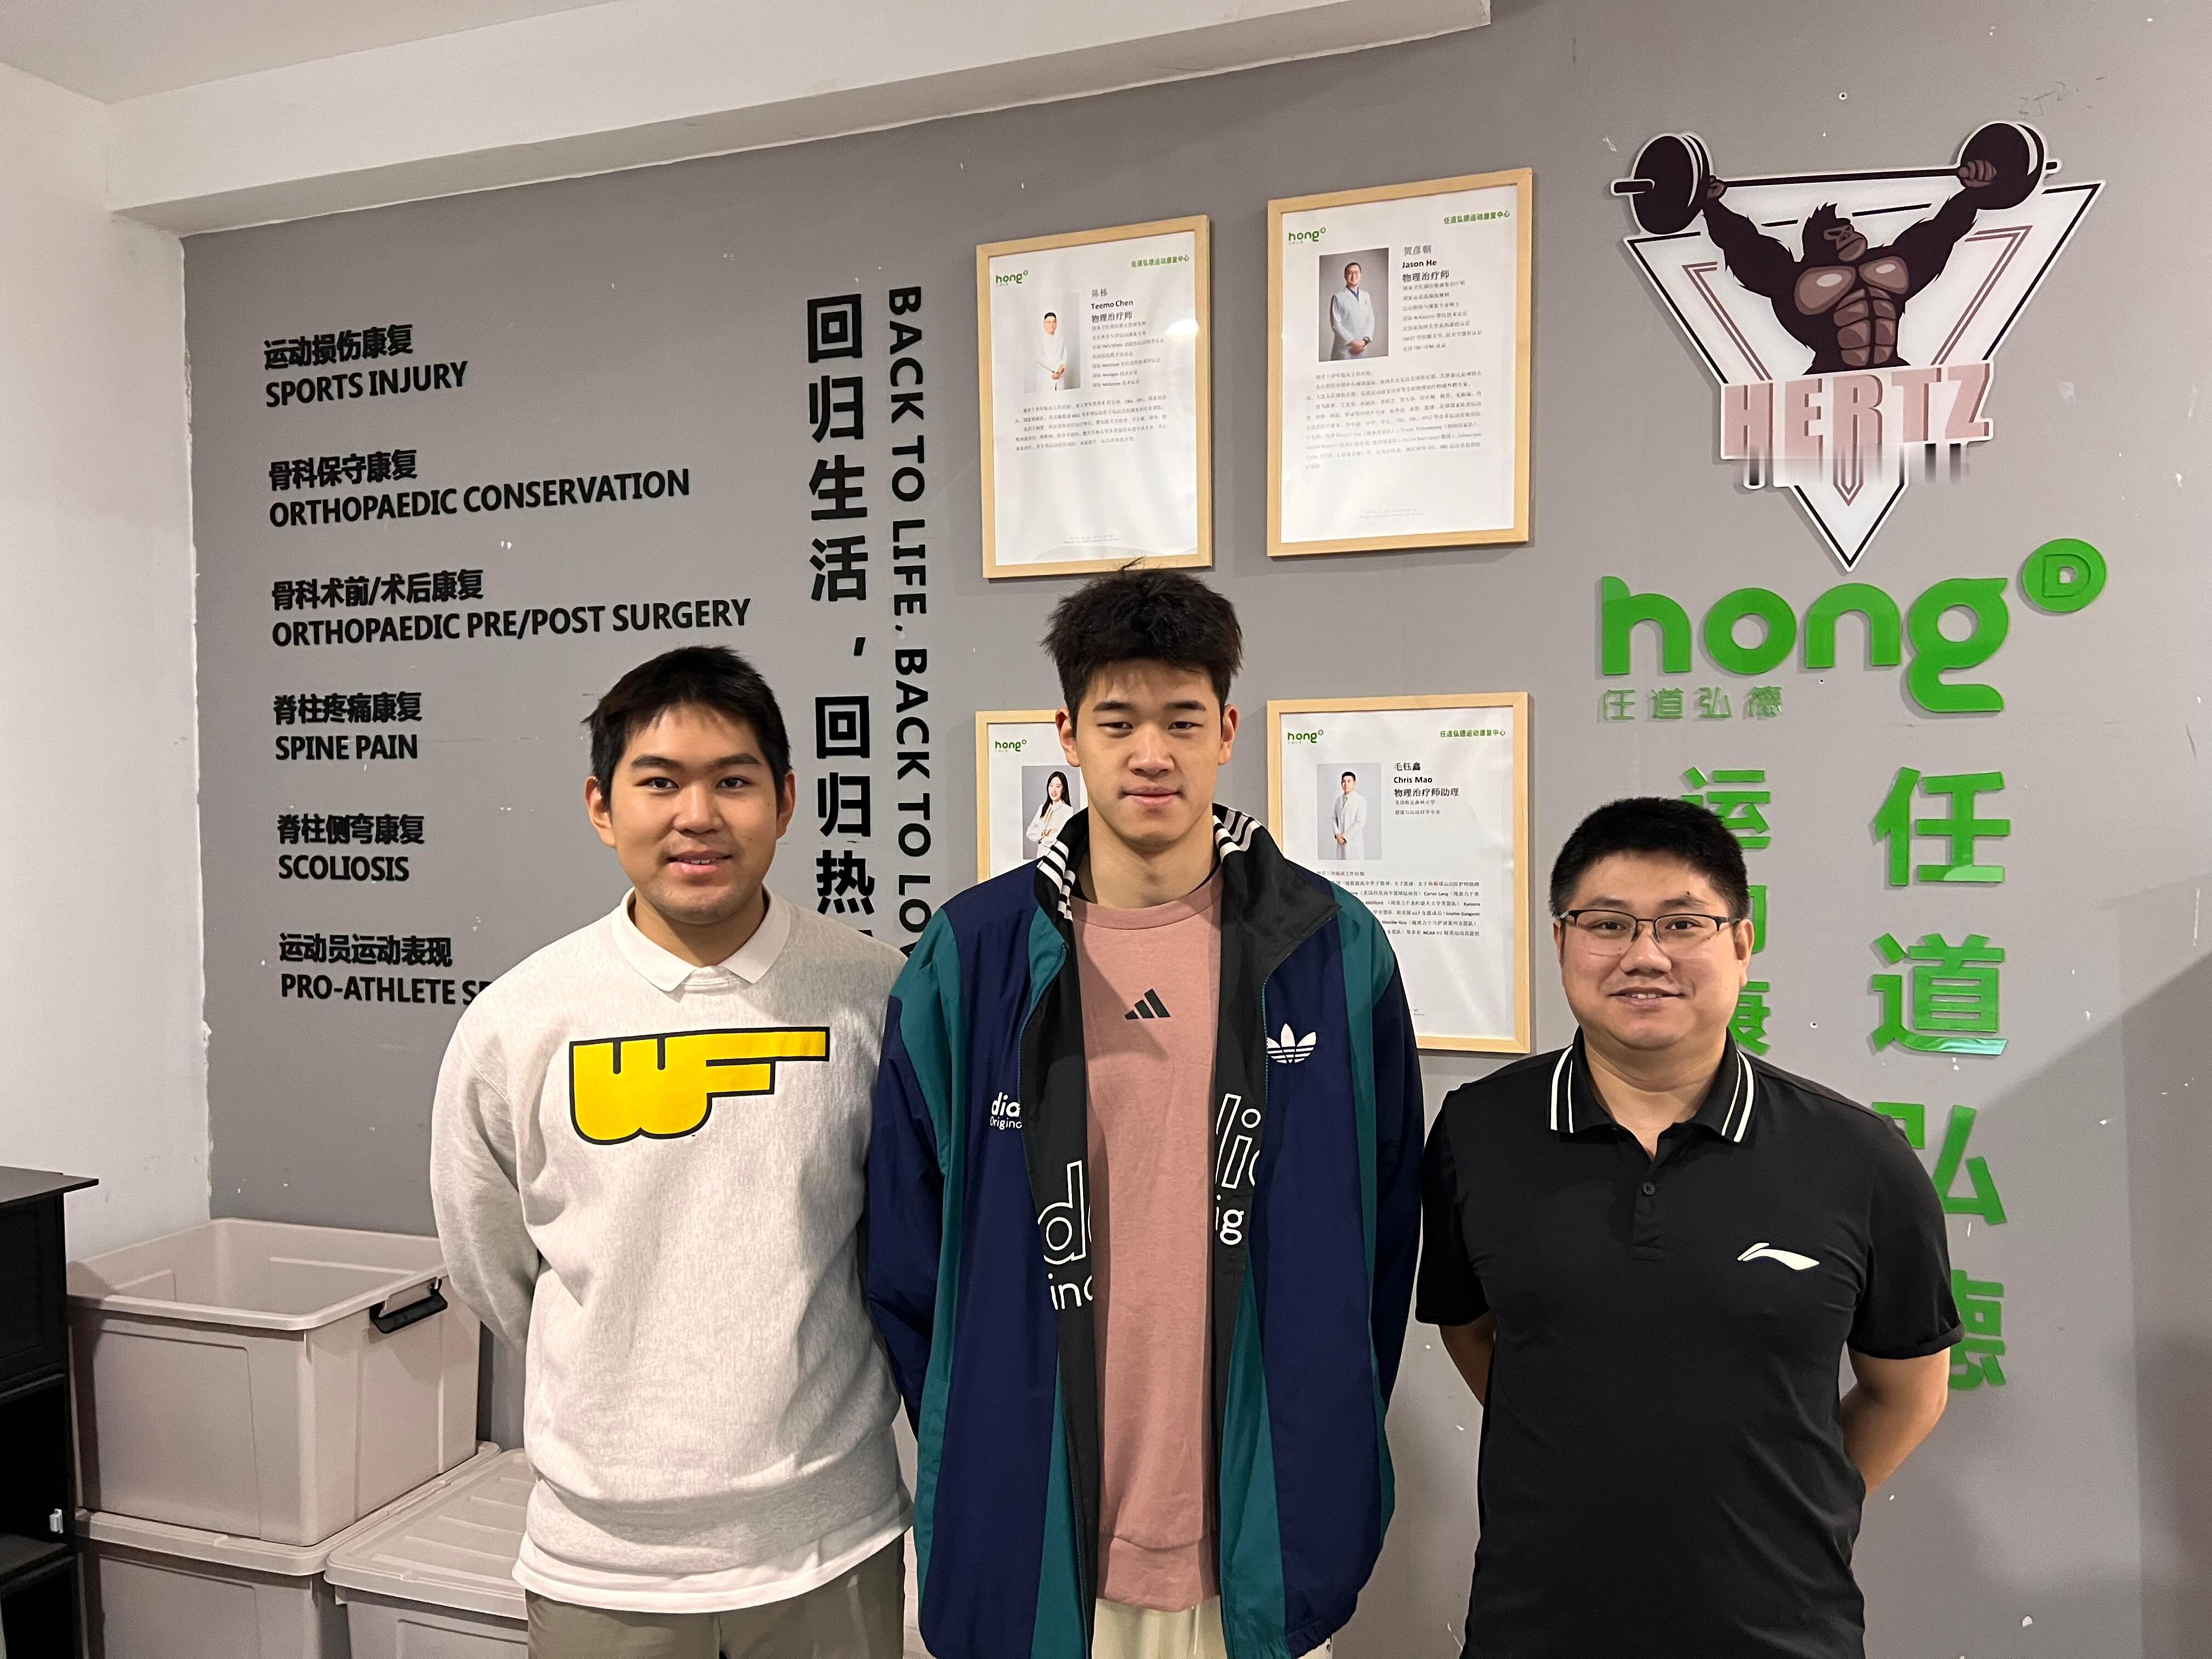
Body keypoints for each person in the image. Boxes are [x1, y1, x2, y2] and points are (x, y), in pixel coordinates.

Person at [867, 569, 1423, 1659]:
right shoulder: (972, 956)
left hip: (1259, 1534)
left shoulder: (1329, 948)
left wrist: (1318, 1415)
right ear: (1068, 735)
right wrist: (983, 1417)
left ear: (1227, 730)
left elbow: (1382, 1230)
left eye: (1181, 719)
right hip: (1032, 1529)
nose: (1151, 753)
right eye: (1118, 721)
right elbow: (906, 1248)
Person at [430, 645, 909, 1659]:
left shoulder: (877, 994)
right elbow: (489, 1260)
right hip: (602, 1563)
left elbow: (908, 1244)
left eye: (733, 781)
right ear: (601, 807)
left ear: (785, 800)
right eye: (659, 783)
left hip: (829, 1542)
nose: (698, 815)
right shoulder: (521, 1019)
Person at [1418, 797, 1958, 1659]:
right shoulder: (1477, 1132)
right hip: (1535, 1628)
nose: (1645, 956)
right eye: (1607, 924)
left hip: (1780, 1632)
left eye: (1682, 924)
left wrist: (1788, 1504)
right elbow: (1472, 1330)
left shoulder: (1857, 1156)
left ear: (1742, 944)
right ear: (1560, 942)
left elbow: (1909, 1393)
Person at [1700, 157, 2000, 373]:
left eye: (1848, 229)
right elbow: (1742, 245)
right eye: (1835, 234)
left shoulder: (1889, 266)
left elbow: (1942, 232)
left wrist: (1973, 193)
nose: (1847, 235)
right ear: (1818, 246)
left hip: (1894, 372)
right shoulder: (1794, 279)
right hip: (1827, 376)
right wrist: (1711, 206)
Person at [1328, 262, 1375, 360]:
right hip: (1345, 350)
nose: (1354, 276)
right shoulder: (1338, 297)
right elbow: (1336, 325)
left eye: (1356, 272)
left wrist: (1364, 341)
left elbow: (1370, 320)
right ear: (1345, 276)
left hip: (1362, 348)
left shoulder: (1366, 296)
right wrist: (1353, 343)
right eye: (1350, 273)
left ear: (1360, 274)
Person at [1027, 768, 1076, 856]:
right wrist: (1046, 832)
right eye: (1051, 786)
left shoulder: (1068, 810)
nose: (1053, 790)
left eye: (1058, 786)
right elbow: (1030, 832)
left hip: (1055, 856)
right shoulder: (1043, 808)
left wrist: (1042, 839)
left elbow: (1061, 838)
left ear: (1064, 789)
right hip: (1040, 856)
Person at [1330, 770, 1366, 861]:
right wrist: (1337, 834)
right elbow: (1334, 819)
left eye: (1349, 781)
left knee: (1355, 865)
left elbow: (1360, 822)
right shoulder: (1338, 801)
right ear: (1341, 783)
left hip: (1354, 842)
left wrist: (1346, 836)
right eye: (1344, 782)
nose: (1346, 784)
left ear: (1354, 783)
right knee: (1341, 866)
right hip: (1340, 842)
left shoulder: (1360, 800)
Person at [1037, 311, 1069, 390]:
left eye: (1054, 322)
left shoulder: (1061, 339)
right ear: (1044, 324)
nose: (1052, 325)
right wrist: (1057, 369)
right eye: (1049, 322)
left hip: (1060, 378)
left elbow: (1065, 355)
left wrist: (1061, 370)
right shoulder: (1039, 339)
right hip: (1046, 378)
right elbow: (1039, 358)